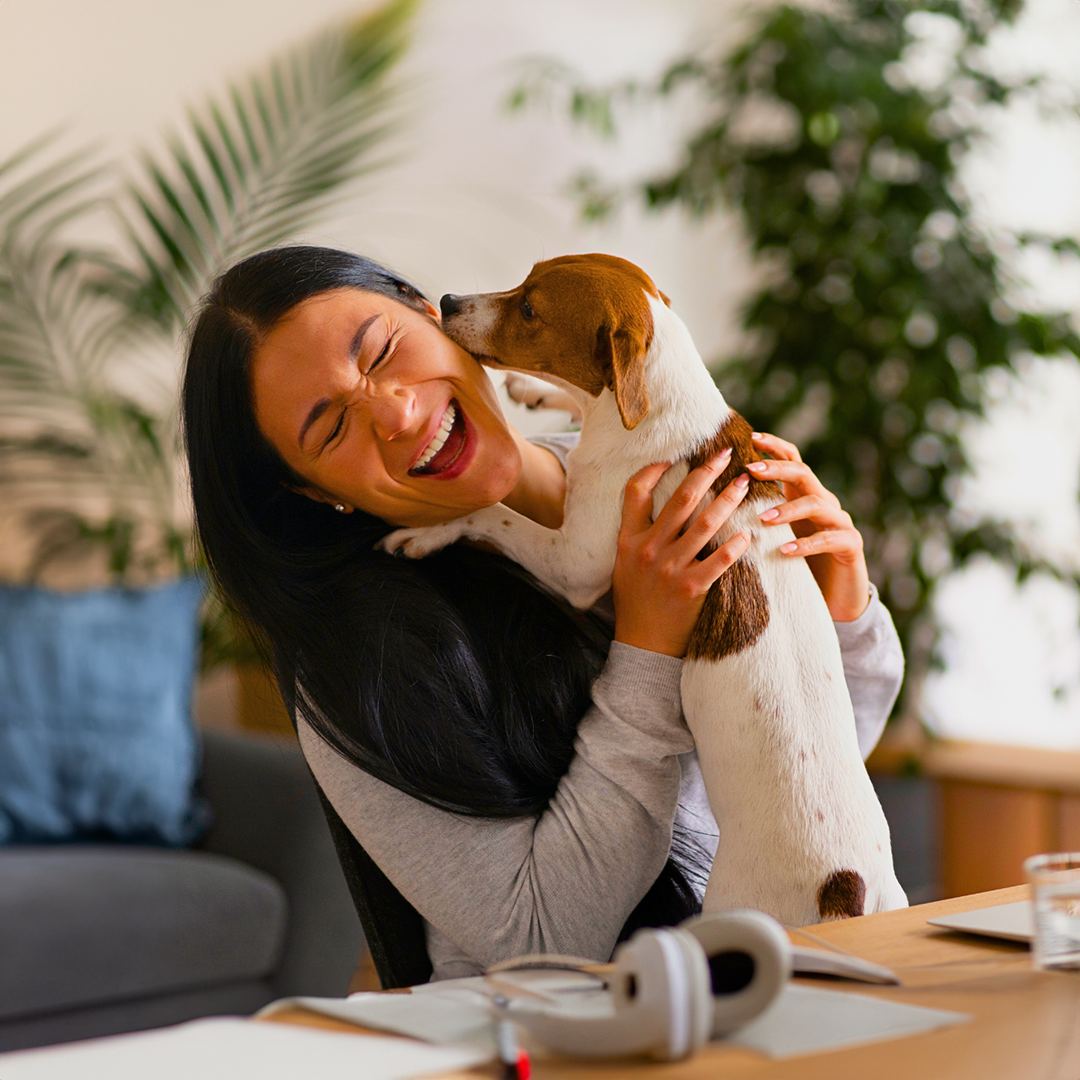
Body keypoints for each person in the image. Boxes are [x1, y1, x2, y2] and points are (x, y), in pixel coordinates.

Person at [183, 246, 903, 982]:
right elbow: (534, 940)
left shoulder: (673, 481)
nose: (396, 412)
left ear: (428, 311)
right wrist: (646, 654)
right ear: (314, 492)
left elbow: (808, 769)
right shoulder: (363, 658)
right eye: (331, 428)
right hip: (571, 1036)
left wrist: (836, 600)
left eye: (384, 350)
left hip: (785, 970)